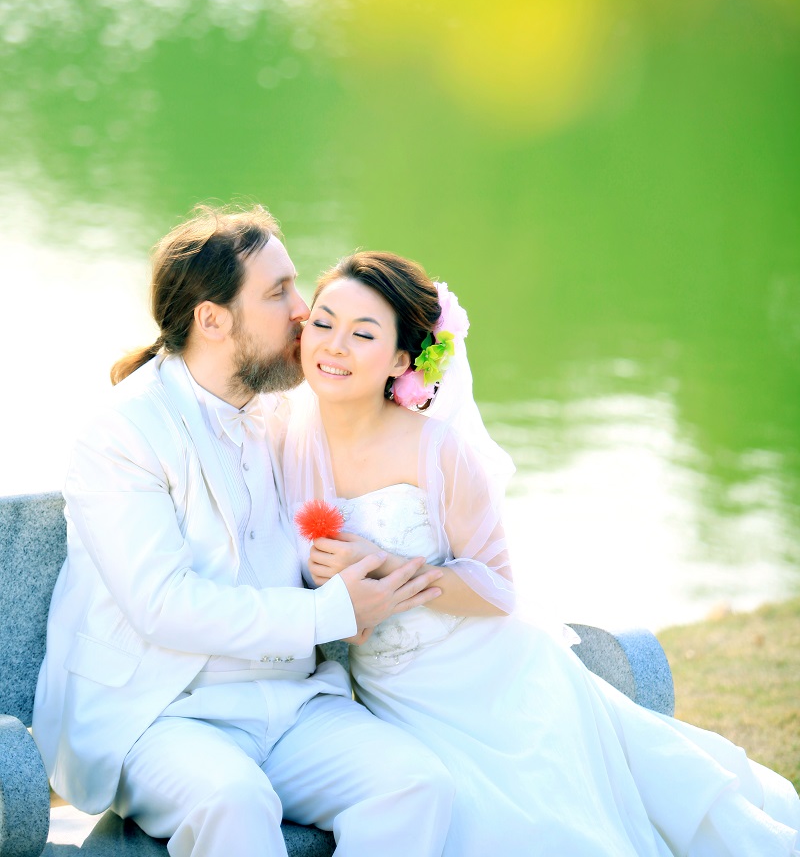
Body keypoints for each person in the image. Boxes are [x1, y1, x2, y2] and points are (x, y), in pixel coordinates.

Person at [279, 250, 800, 857]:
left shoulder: (438, 450)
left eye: (362, 334)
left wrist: (393, 572)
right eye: (323, 322)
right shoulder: (285, 437)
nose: (334, 345)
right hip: (385, 696)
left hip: (488, 677)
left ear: (400, 358)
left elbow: (497, 590)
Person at [32, 206, 455, 857]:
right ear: (212, 319)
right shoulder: (124, 432)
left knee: (414, 784)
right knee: (234, 801)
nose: (303, 310)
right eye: (278, 291)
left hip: (295, 702)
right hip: (164, 711)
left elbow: (323, 528)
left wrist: (346, 569)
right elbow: (162, 606)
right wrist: (328, 611)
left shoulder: (290, 409)